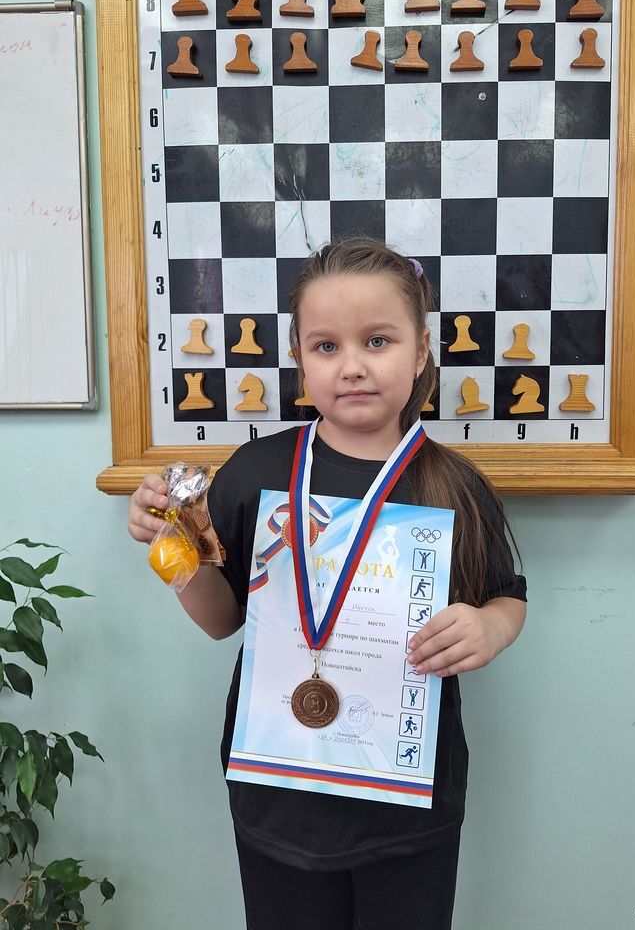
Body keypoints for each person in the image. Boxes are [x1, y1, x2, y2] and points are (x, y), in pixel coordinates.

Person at [128, 238, 527, 930]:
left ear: (421, 350)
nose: (353, 366)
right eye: (325, 346)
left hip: (409, 809)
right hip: (278, 798)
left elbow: (507, 595)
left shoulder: (455, 486)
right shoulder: (256, 472)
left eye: (378, 341)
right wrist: (177, 547)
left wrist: (491, 626)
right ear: (299, 358)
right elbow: (222, 620)